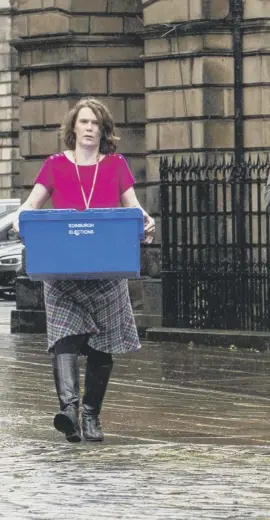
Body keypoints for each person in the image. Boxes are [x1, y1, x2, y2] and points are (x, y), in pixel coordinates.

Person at [13, 97, 155, 443]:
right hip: (63, 273)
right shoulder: (54, 165)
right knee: (65, 338)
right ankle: (68, 411)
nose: (90, 128)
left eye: (96, 124)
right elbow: (30, 206)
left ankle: (91, 416)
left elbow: (134, 209)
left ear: (103, 131)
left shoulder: (116, 165)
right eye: (84, 122)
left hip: (106, 274)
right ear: (73, 128)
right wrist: (21, 222)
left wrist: (147, 222)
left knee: (101, 346)